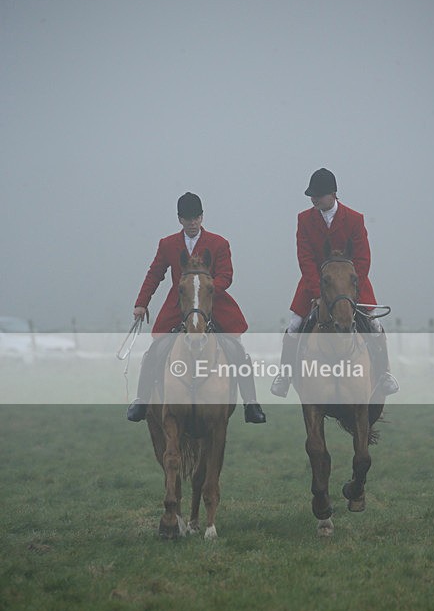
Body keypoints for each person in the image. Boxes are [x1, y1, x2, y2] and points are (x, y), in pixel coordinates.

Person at [127, 192, 266, 424]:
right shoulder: (167, 244)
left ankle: (251, 404)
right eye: (187, 219)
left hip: (213, 305)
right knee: (154, 351)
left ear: (202, 217)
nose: (192, 223)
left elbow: (226, 276)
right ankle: (141, 400)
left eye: (196, 218)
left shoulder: (219, 243)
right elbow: (155, 274)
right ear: (179, 219)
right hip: (179, 307)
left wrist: (205, 290)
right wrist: (142, 303)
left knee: (238, 351)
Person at [270, 168, 399, 398]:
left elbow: (362, 259)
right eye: (312, 195)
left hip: (352, 286)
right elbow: (305, 258)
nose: (313, 199)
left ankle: (384, 373)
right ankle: (285, 374)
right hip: (315, 285)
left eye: (318, 195)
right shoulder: (304, 219)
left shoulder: (354, 219)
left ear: (333, 194)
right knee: (294, 326)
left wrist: (350, 291)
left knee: (375, 326)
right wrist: (317, 291)